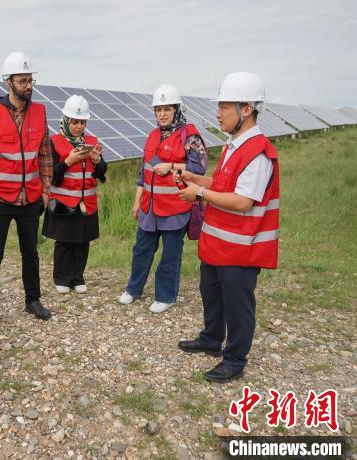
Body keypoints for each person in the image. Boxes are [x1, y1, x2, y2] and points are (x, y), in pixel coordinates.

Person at [176, 72, 279, 383]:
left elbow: (243, 201)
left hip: (241, 249)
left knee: (237, 307)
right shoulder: (234, 145)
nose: (217, 113)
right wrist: (197, 179)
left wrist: (199, 193)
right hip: (218, 245)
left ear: (246, 109)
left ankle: (234, 359)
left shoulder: (258, 152)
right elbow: (224, 184)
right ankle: (211, 339)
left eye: (223, 106)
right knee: (211, 294)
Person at [0, 51, 53, 326]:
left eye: (30, 80)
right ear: (8, 82)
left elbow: (45, 155)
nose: (28, 86)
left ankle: (33, 300)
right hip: (0, 199)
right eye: (23, 81)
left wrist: (45, 190)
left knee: (30, 253)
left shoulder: (40, 112)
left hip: (30, 197)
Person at [118, 84, 207, 313]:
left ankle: (166, 296)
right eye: (158, 109)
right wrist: (137, 202)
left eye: (167, 109)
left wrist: (172, 165)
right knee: (141, 250)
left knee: (170, 255)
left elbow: (199, 168)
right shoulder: (152, 135)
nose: (163, 114)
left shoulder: (190, 136)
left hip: (176, 207)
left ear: (177, 109)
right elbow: (143, 173)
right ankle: (133, 289)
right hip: (149, 207)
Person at [42, 95, 107, 293]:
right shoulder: (53, 142)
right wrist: (68, 161)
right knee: (64, 241)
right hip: (63, 203)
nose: (79, 126)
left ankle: (78, 278)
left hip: (86, 203)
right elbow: (50, 176)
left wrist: (97, 160)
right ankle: (61, 278)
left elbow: (102, 173)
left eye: (82, 122)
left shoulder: (92, 142)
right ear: (66, 120)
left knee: (82, 240)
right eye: (75, 122)